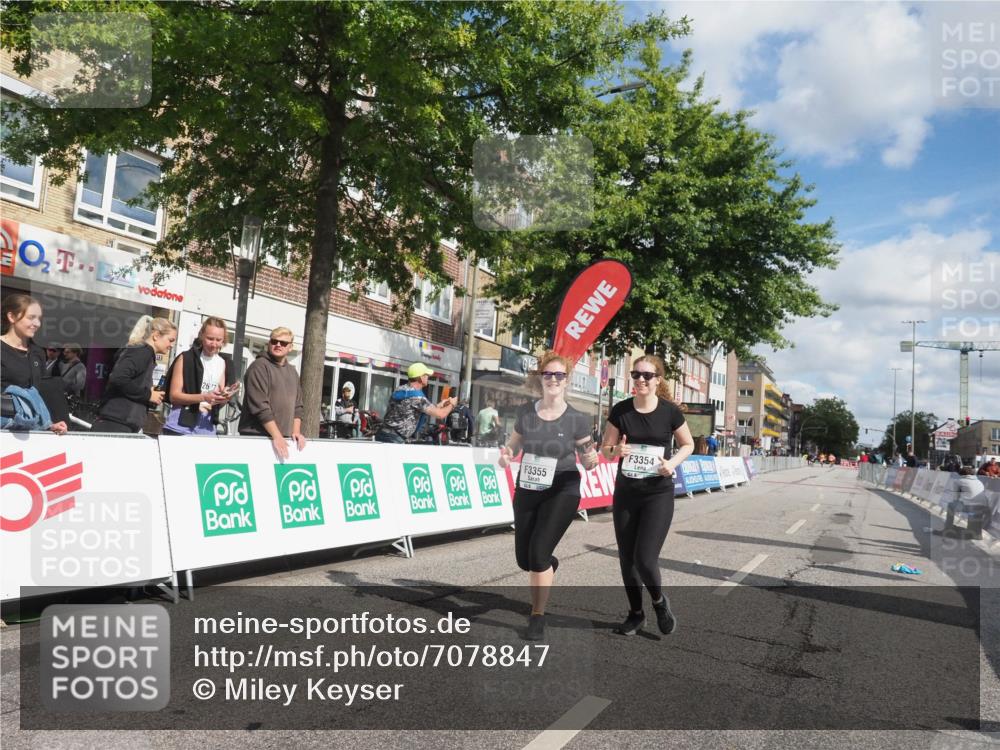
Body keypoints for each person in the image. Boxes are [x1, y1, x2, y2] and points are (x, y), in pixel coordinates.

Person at [498, 351, 598, 640]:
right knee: (525, 560)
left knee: (538, 553)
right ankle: (547, 566)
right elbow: (513, 446)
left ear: (567, 381)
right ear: (540, 378)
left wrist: (592, 459)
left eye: (559, 375)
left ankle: (537, 616)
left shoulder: (576, 419)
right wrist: (506, 456)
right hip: (528, 488)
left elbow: (588, 458)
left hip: (562, 490)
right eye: (548, 374)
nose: (553, 380)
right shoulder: (526, 412)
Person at [601, 354, 694, 637]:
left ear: (658, 380)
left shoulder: (669, 412)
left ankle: (659, 601)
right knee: (626, 559)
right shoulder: (621, 411)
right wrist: (615, 452)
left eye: (647, 375)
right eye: (636, 374)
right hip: (627, 492)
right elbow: (605, 449)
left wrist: (672, 464)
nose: (640, 379)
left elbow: (687, 444)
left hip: (657, 494)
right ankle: (636, 614)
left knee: (644, 558)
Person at [92, 316, 176, 434]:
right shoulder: (142, 352)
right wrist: (148, 395)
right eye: (170, 340)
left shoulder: (144, 353)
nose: (171, 345)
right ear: (156, 335)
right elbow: (118, 378)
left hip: (121, 422)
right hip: (116, 423)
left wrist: (150, 395)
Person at [0, 294, 68, 434]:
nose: (37, 323)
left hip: (29, 432)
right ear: (11, 317)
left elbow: (38, 395)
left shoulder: (37, 352)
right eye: (31, 317)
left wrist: (50, 424)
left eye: (39, 318)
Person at [238, 326, 306, 459]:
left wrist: (296, 431)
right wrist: (277, 435)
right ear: (269, 343)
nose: (278, 345)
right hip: (257, 437)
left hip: (283, 439)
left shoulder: (292, 372)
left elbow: (298, 406)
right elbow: (260, 407)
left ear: (290, 347)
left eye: (283, 343)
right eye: (274, 341)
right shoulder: (258, 367)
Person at [161, 317, 235, 436]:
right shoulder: (186, 358)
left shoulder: (224, 363)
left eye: (218, 340)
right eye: (210, 338)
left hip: (207, 427)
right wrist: (204, 397)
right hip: (181, 425)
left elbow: (216, 401)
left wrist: (224, 398)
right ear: (201, 335)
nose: (214, 344)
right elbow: (174, 396)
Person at [374, 362, 456, 443]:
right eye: (426, 375)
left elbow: (417, 407)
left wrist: (440, 405)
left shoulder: (400, 389)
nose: (428, 377)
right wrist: (452, 404)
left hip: (383, 433)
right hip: (394, 439)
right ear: (421, 378)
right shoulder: (417, 397)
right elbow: (440, 414)